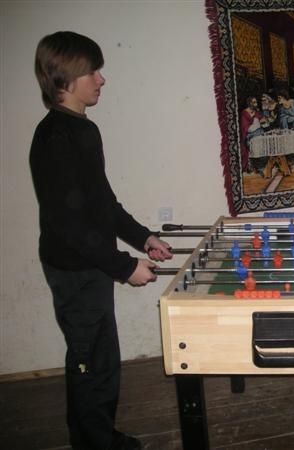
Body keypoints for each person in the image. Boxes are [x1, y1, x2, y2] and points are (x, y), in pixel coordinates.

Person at [30, 31, 173, 450]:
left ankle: (95, 437)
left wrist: (143, 238)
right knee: (91, 363)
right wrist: (124, 266)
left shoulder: (81, 129)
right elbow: (67, 223)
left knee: (98, 359)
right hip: (74, 268)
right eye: (93, 71)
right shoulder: (56, 136)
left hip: (88, 264)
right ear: (66, 77)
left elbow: (102, 203)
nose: (101, 79)